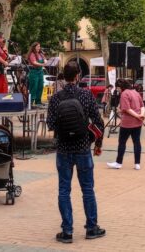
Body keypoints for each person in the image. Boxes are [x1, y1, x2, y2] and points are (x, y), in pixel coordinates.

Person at [46, 61, 106, 243]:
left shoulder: (56, 98)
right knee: (87, 189)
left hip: (64, 149)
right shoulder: (86, 95)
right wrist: (97, 144)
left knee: (64, 190)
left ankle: (67, 231)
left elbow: (50, 124)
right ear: (78, 75)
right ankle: (91, 228)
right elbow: (99, 123)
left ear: (64, 76)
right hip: (82, 148)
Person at [107, 79, 145, 170]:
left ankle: (118, 162)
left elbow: (127, 109)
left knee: (122, 142)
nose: (118, 90)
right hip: (138, 123)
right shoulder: (136, 92)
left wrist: (137, 116)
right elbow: (142, 106)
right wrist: (141, 115)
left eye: (118, 88)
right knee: (137, 142)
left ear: (121, 87)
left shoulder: (124, 94)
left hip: (127, 123)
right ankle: (137, 163)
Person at [27, 42, 47, 106]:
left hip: (40, 72)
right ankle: (31, 102)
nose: (39, 48)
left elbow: (45, 60)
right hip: (34, 72)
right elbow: (34, 62)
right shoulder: (32, 54)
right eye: (38, 46)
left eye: (39, 46)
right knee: (34, 87)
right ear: (34, 47)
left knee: (40, 86)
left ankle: (38, 101)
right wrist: (42, 64)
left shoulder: (41, 54)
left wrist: (45, 61)